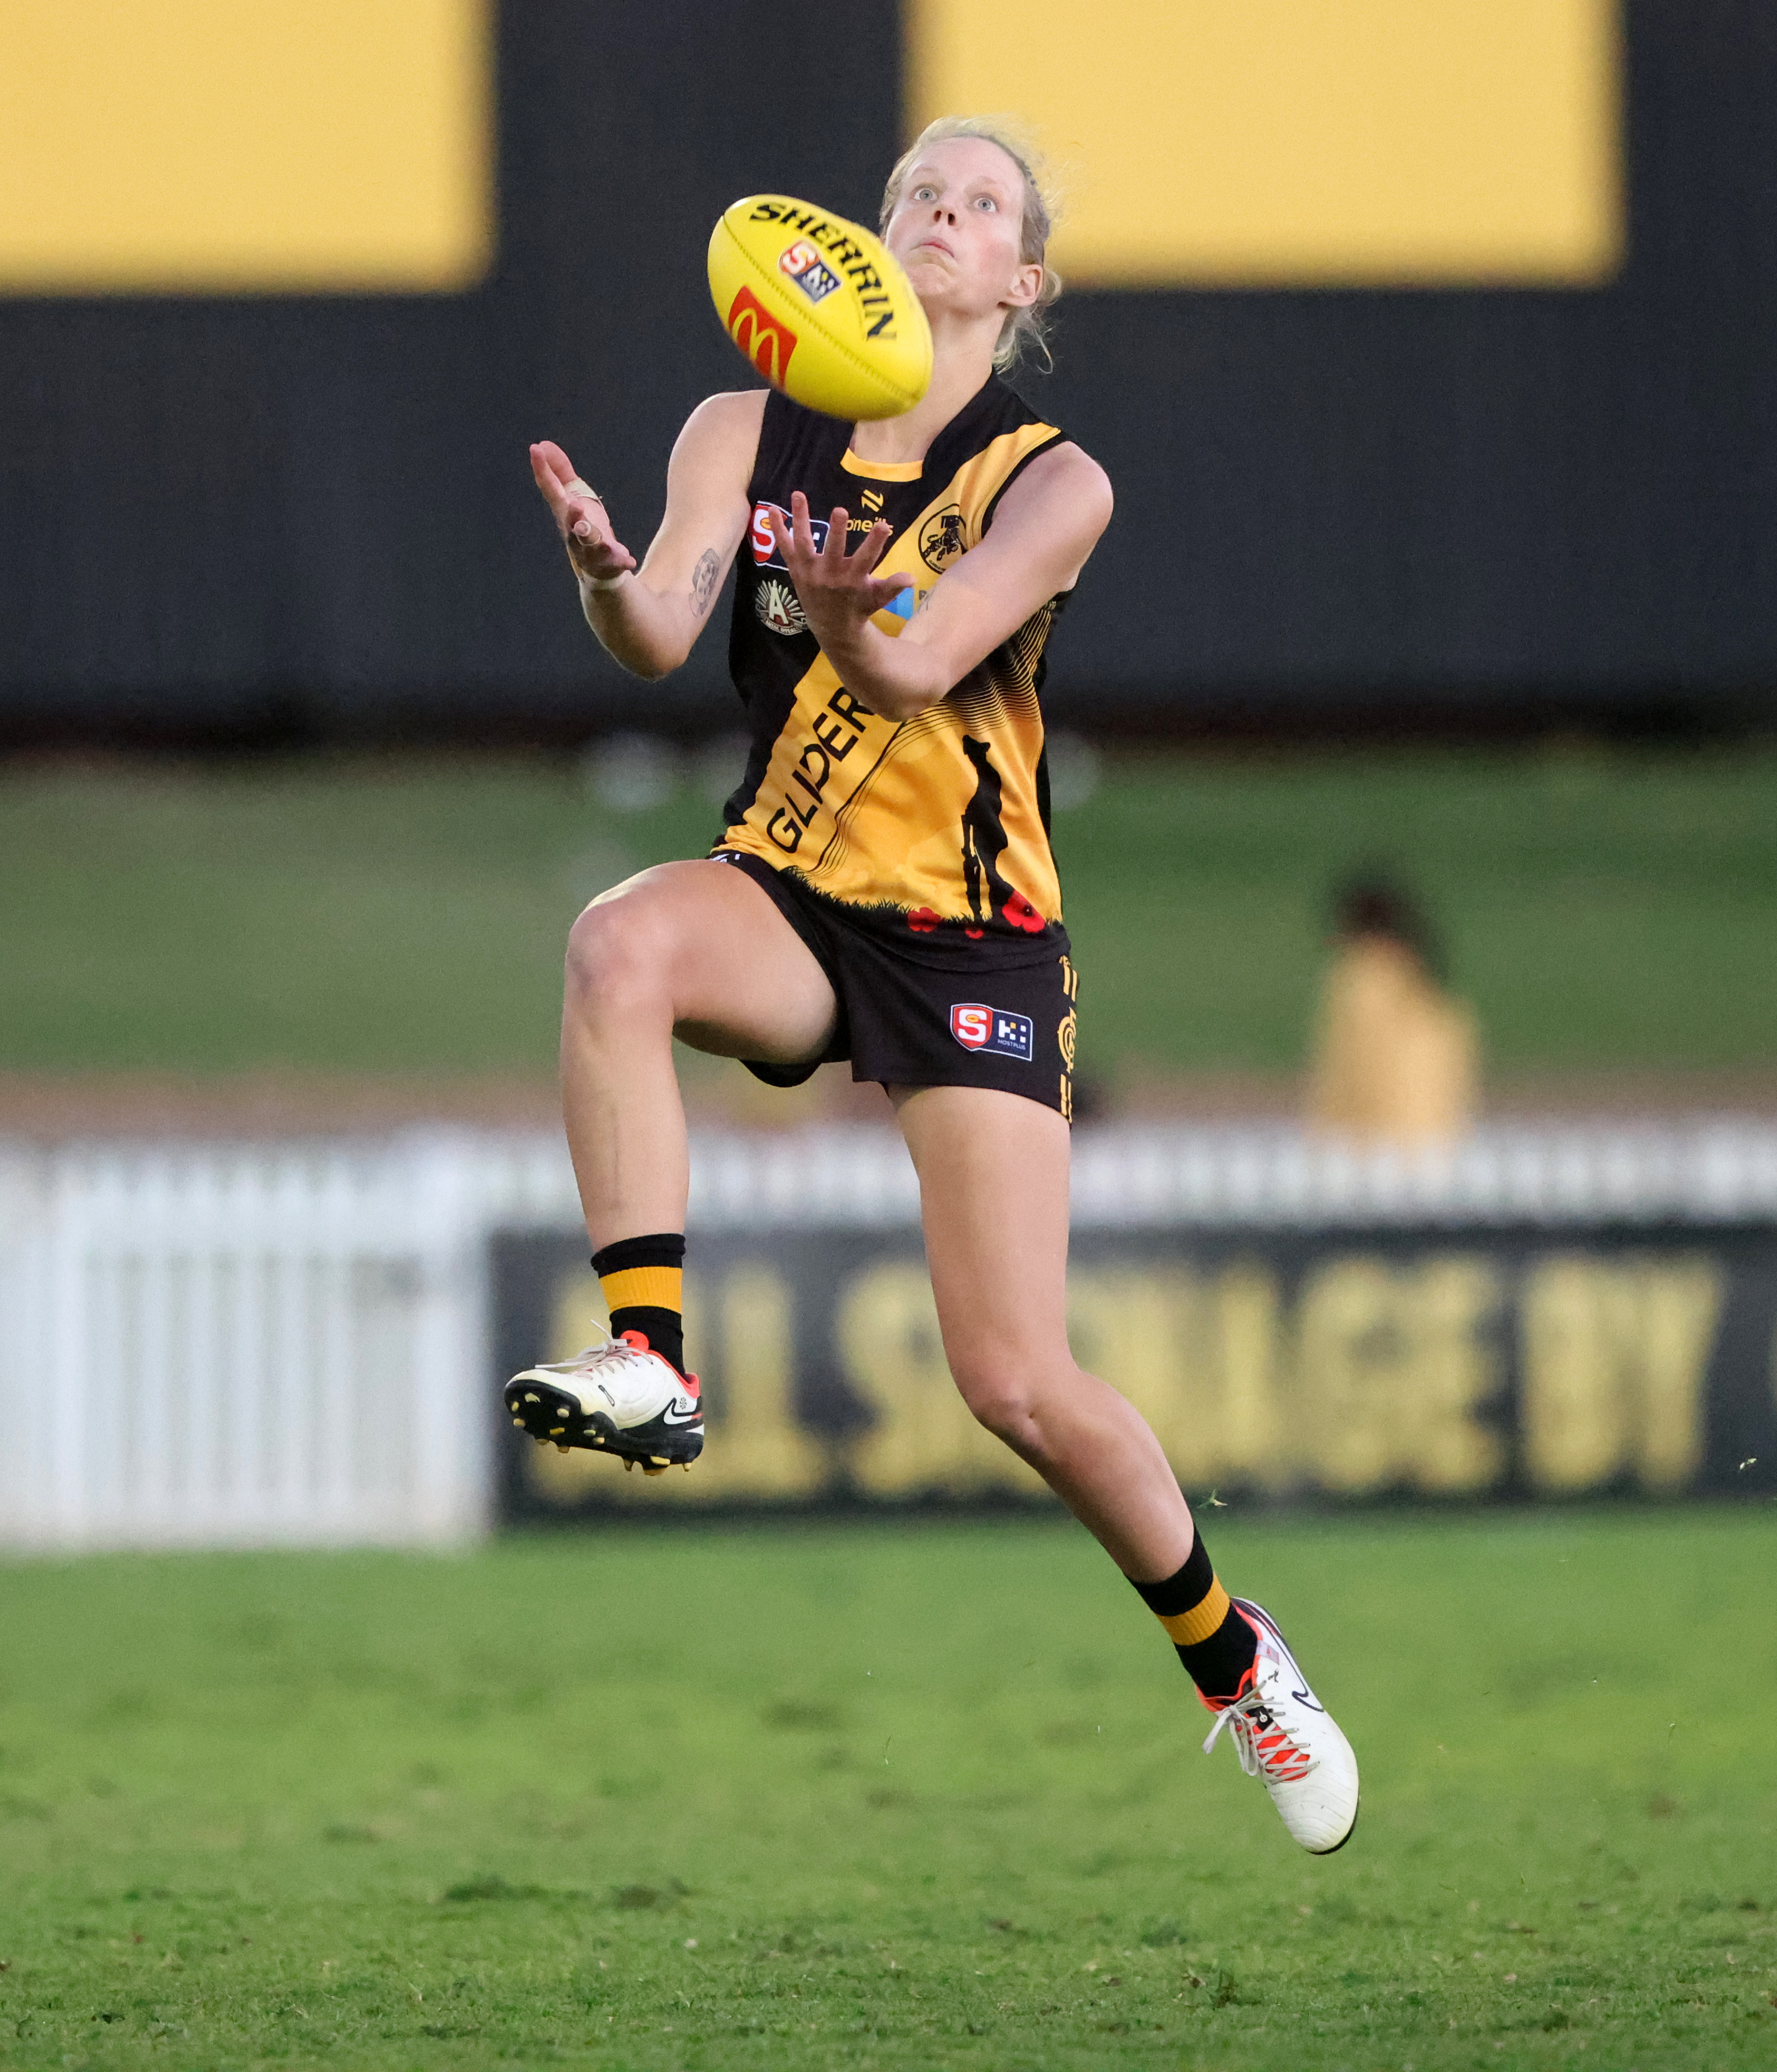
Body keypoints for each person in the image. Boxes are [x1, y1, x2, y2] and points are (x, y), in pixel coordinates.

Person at [500, 119, 1359, 1858]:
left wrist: (838, 606)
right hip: (793, 896)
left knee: (1016, 1383)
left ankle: (1232, 1658)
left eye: (980, 206)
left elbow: (912, 664)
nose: (942, 216)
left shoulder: (1053, 480)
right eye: (918, 194)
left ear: (1023, 278)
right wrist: (604, 573)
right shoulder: (741, 426)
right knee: (617, 941)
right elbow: (663, 637)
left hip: (973, 938)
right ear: (872, 241)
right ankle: (651, 1359)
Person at [1304, 873, 1478, 1148]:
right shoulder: (1434, 993)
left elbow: (1359, 1072)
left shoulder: (1361, 978)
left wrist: (1328, 1140)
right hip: (1439, 1142)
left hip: (1373, 1147)